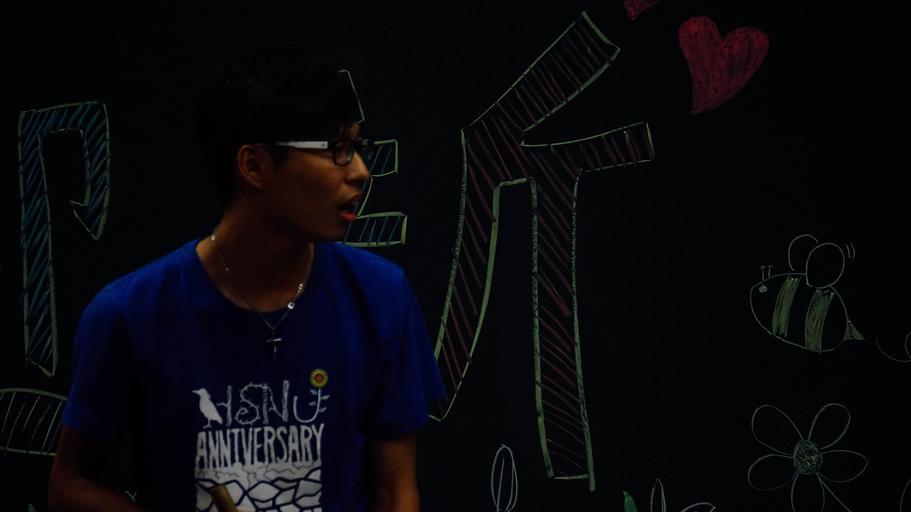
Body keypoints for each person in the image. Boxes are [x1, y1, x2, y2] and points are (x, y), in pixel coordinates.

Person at [48, 49, 445, 512]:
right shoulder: (129, 314)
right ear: (254, 166)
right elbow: (69, 485)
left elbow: (396, 492)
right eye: (336, 149)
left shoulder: (381, 296)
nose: (360, 171)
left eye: (358, 147)